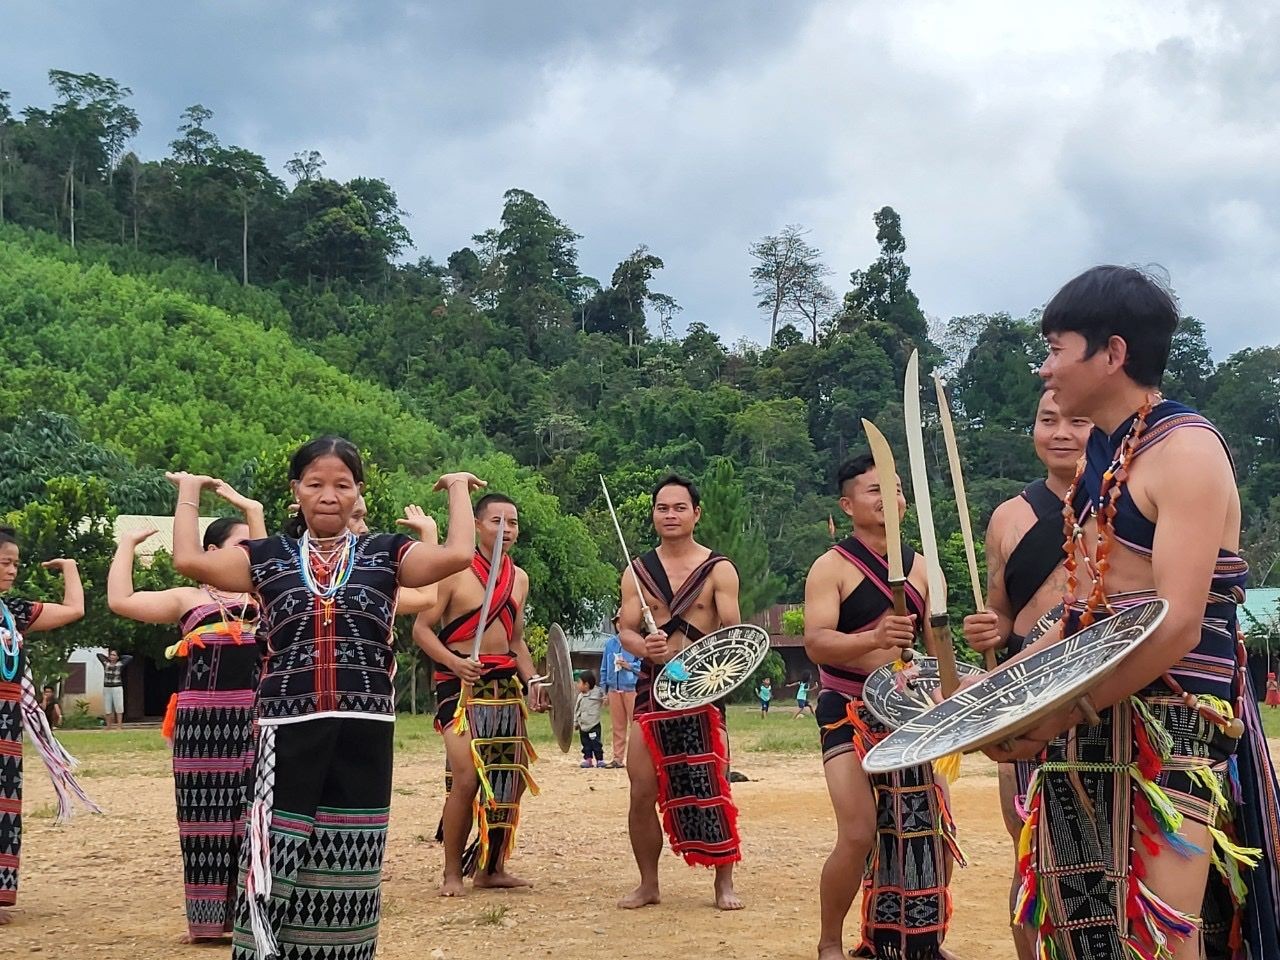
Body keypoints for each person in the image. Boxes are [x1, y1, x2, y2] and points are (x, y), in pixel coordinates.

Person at [988, 265, 1280, 960]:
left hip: (1171, 726)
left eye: (1056, 348)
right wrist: (999, 693)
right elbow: (1082, 609)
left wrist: (1053, 713)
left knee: (1159, 935)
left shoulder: (1186, 451)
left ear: (1112, 353)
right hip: (1092, 720)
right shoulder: (1106, 458)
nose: (1044, 368)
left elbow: (1176, 621)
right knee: (1087, 929)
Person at [168, 436, 482, 960]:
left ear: (359, 492)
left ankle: (344, 950)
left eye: (342, 484)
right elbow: (187, 561)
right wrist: (189, 493)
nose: (329, 495)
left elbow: (456, 554)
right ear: (297, 492)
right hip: (284, 727)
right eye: (315, 484)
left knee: (351, 846)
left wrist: (456, 490)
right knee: (279, 843)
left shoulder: (387, 553)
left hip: (364, 723)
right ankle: (266, 949)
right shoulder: (265, 557)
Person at [803, 453, 963, 960]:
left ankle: (917, 941)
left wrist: (953, 697)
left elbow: (939, 642)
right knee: (858, 831)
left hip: (911, 708)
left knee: (930, 826)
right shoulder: (831, 567)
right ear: (847, 505)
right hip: (845, 707)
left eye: (894, 488)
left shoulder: (923, 567)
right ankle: (830, 941)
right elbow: (816, 642)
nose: (887, 498)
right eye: (873, 490)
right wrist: (871, 637)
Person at [960, 389, 1090, 960]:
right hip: (1026, 696)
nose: (1060, 431)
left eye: (1078, 419)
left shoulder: (1123, 500)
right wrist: (988, 633)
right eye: (1047, 419)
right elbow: (1002, 613)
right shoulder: (1008, 517)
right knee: (1030, 849)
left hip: (1099, 690)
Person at [106, 483, 266, 943]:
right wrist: (125, 549)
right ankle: (208, 923)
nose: (248, 553)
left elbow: (265, 552)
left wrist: (252, 510)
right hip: (200, 724)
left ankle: (250, 914)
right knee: (203, 816)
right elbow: (122, 601)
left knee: (254, 812)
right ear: (211, 552)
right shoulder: (186, 599)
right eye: (238, 546)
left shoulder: (265, 595)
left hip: (257, 717)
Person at [616, 474, 744, 912]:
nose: (670, 515)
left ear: (696, 513)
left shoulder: (719, 569)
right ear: (653, 514)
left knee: (714, 782)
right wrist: (643, 647)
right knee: (641, 788)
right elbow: (625, 629)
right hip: (652, 689)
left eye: (679, 508)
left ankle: (723, 883)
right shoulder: (636, 572)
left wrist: (716, 665)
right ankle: (648, 883)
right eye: (662, 508)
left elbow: (732, 629)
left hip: (704, 687)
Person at [412, 492, 543, 897]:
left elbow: (516, 641)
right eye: (497, 521)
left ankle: (491, 867)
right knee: (467, 778)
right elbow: (421, 630)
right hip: (460, 687)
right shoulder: (454, 572)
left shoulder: (518, 578)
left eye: (513, 522)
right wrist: (454, 663)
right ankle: (453, 872)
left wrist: (534, 679)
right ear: (479, 525)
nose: (507, 529)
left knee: (510, 779)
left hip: (505, 686)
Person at [0, 526, 97, 924]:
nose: (11, 570)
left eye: (15, 564)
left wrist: (70, 568)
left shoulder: (13, 612)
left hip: (6, 726)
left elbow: (73, 609)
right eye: (4, 562)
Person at [599, 617, 641, 769]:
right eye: (617, 622)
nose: (619, 624)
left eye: (623, 621)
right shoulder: (610, 644)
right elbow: (604, 667)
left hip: (631, 688)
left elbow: (642, 666)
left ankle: (638, 760)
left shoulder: (637, 643)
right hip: (613, 689)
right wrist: (603, 690)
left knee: (636, 725)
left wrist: (629, 665)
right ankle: (617, 758)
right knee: (618, 726)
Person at [96, 648, 133, 729]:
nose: (112, 656)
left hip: (117, 687)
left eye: (114, 655)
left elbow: (129, 658)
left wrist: (119, 657)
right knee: (108, 707)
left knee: (119, 707)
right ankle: (108, 726)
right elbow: (98, 655)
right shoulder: (106, 663)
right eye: (111, 655)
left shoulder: (120, 664)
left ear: (117, 657)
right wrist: (108, 658)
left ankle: (119, 726)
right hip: (107, 687)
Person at [575, 670, 605, 768]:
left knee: (596, 743)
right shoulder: (580, 696)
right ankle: (588, 759)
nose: (577, 685)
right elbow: (577, 710)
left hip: (594, 725)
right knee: (586, 744)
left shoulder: (597, 693)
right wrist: (576, 722)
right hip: (583, 726)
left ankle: (599, 759)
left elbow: (604, 695)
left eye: (579, 682)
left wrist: (605, 698)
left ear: (586, 684)